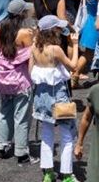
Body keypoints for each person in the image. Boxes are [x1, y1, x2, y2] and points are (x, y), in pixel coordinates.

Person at [30, 15, 79, 182]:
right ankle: (66, 174)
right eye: (58, 28)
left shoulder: (34, 48)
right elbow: (73, 66)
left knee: (46, 134)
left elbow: (31, 72)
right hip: (58, 95)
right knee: (66, 134)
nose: (60, 30)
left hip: (41, 96)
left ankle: (48, 172)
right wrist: (75, 44)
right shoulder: (55, 50)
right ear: (53, 31)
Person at [0, 1, 34, 164]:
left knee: (4, 113)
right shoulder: (24, 33)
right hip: (20, 80)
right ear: (22, 14)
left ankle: (1, 148)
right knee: (21, 116)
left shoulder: (1, 28)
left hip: (3, 79)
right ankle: (21, 153)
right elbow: (31, 56)